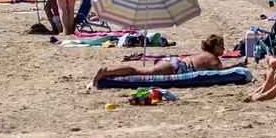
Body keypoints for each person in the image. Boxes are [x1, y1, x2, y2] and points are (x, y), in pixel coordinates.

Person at [91, 34, 227, 84]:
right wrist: (239, 65)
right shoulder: (211, 57)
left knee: (139, 70)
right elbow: (222, 71)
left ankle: (107, 72)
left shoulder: (203, 54)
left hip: (173, 63)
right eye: (221, 46)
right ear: (214, 47)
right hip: (174, 67)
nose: (224, 49)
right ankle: (106, 72)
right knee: (137, 71)